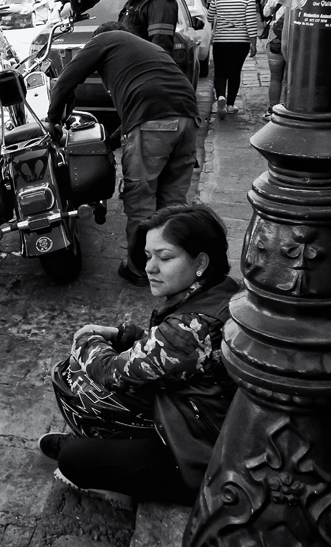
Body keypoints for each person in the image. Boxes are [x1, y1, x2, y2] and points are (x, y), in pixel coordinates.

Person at [38, 204, 242, 505]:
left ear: (200, 261)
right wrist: (126, 335)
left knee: (73, 459)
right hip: (197, 415)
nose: (150, 268)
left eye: (165, 257)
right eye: (148, 256)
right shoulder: (222, 291)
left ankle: (119, 478)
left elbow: (113, 372)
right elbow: (168, 353)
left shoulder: (191, 327)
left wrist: (86, 340)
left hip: (205, 459)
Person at [46, 22, 199, 287]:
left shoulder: (104, 40)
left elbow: (65, 82)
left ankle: (139, 269)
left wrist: (53, 121)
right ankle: (174, 266)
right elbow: (134, 119)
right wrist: (110, 141)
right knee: (173, 199)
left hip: (154, 121)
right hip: (188, 118)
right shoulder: (144, 50)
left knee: (140, 200)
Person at [207, 0, 260, 119]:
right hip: (240, 42)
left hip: (221, 40)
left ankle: (220, 97)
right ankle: (230, 105)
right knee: (234, 72)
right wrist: (254, 43)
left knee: (220, 72)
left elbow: (209, 17)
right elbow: (251, 22)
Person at [261, 0, 292, 122]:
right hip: (295, 42)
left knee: (275, 78)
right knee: (292, 79)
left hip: (276, 39)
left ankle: (272, 110)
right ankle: (290, 110)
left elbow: (266, 12)